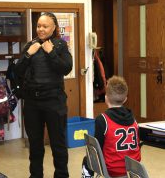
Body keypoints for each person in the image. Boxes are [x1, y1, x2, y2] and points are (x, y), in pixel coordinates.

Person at [15, 12, 73, 178]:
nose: (40, 29)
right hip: (32, 102)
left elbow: (66, 68)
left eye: (45, 26)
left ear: (53, 28)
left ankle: (61, 175)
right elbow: (18, 71)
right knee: (35, 144)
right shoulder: (30, 45)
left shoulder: (61, 45)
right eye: (39, 26)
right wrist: (28, 55)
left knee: (58, 144)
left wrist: (51, 52)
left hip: (54, 102)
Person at [81, 75, 141, 178]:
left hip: (112, 170)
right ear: (125, 99)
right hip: (134, 170)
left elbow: (97, 149)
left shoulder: (102, 119)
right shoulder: (133, 119)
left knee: (87, 159)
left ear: (106, 98)